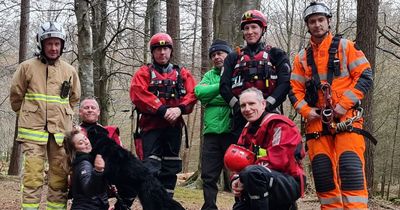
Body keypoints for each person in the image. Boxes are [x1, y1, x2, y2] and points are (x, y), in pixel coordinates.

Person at [289, 2, 373, 209]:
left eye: (320, 20)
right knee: (323, 174)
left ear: (328, 21)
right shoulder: (301, 58)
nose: (317, 25)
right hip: (317, 123)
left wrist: (343, 105)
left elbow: (365, 75)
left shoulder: (346, 47)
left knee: (350, 169)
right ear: (307, 26)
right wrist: (308, 112)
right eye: (312, 21)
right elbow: (294, 90)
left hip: (347, 119)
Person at [10, 21, 81, 210]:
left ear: (62, 45)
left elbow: (74, 98)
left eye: (57, 43)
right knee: (33, 177)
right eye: (49, 43)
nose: (53, 48)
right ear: (41, 44)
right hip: (33, 132)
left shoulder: (69, 70)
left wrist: (62, 115)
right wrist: (28, 114)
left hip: (60, 133)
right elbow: (16, 96)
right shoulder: (27, 67)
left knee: (59, 179)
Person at [130, 32, 197, 197]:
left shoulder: (182, 74)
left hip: (173, 129)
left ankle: (166, 202)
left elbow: (193, 93)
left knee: (170, 169)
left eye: (166, 48)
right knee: (150, 168)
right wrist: (162, 110)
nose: (162, 53)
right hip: (150, 128)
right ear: (153, 52)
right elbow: (137, 93)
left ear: (171, 51)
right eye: (158, 49)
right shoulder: (144, 73)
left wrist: (179, 109)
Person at [224, 87, 305, 210]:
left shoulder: (280, 125)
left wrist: (244, 177)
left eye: (251, 104)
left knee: (252, 173)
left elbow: (279, 161)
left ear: (263, 104)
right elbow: (238, 164)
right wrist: (235, 179)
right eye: (243, 105)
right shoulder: (247, 130)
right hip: (257, 179)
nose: (247, 109)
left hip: (288, 182)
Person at [220, 9, 291, 139]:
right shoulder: (232, 58)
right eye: (246, 28)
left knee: (269, 154)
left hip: (270, 114)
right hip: (241, 118)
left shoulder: (276, 54)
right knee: (238, 156)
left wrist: (267, 105)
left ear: (263, 29)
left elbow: (285, 84)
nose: (250, 32)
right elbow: (224, 87)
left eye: (254, 27)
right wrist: (239, 107)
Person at [194, 39, 236, 210]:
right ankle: (209, 206)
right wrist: (223, 86)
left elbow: (237, 95)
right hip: (211, 133)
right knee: (208, 175)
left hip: (231, 131)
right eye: (213, 55)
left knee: (237, 173)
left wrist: (212, 95)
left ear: (228, 54)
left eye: (220, 53)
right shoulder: (209, 75)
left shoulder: (236, 71)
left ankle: (240, 205)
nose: (217, 57)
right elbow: (199, 92)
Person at [78, 97, 133, 209]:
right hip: (82, 174)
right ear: (80, 112)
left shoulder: (109, 133)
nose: (90, 110)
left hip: (106, 174)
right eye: (86, 108)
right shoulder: (74, 133)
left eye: (93, 108)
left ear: (98, 112)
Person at [63, 128, 110, 210]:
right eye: (81, 143)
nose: (86, 142)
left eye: (85, 138)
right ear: (75, 149)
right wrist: (98, 171)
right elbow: (89, 190)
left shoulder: (86, 160)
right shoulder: (84, 164)